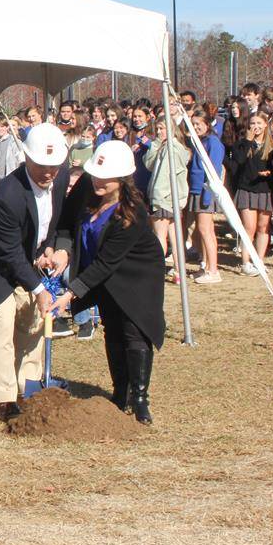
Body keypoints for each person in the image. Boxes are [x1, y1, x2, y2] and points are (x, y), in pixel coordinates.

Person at [52, 140, 166, 424]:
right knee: (112, 329)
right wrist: (64, 248)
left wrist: (70, 295)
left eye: (107, 177)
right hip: (103, 275)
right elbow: (66, 218)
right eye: (96, 175)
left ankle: (139, 398)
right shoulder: (89, 188)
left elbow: (107, 263)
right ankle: (120, 392)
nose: (98, 181)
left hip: (137, 276)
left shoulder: (133, 214)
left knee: (134, 331)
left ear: (123, 180)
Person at [0, 123, 71, 421]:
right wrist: (39, 290)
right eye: (41, 165)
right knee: (3, 325)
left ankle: (27, 385)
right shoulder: (7, 195)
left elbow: (60, 221)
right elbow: (9, 253)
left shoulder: (60, 175)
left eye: (53, 166)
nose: (48, 173)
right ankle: (5, 399)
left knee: (32, 324)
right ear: (25, 158)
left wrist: (57, 247)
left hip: (29, 258)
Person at [227, 112, 273, 276]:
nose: (256, 126)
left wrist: (271, 172)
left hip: (265, 190)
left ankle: (259, 261)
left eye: (259, 123)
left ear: (265, 125)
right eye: (253, 123)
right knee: (249, 228)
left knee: (263, 227)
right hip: (246, 189)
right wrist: (248, 141)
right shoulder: (241, 144)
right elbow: (239, 161)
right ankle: (245, 263)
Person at [145, 116, 191, 262]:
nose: (158, 132)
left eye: (162, 128)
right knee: (174, 236)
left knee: (160, 236)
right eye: (157, 129)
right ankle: (179, 271)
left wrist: (157, 197)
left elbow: (164, 176)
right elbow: (149, 164)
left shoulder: (172, 149)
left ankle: (158, 268)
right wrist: (155, 144)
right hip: (171, 198)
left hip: (164, 198)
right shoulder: (164, 146)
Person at [186, 111, 225, 283]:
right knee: (203, 230)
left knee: (205, 230)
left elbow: (213, 171)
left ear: (208, 124)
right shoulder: (198, 142)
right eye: (193, 124)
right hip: (195, 190)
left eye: (198, 123)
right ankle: (206, 265)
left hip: (205, 191)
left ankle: (213, 270)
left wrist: (207, 196)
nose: (195, 127)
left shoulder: (213, 143)